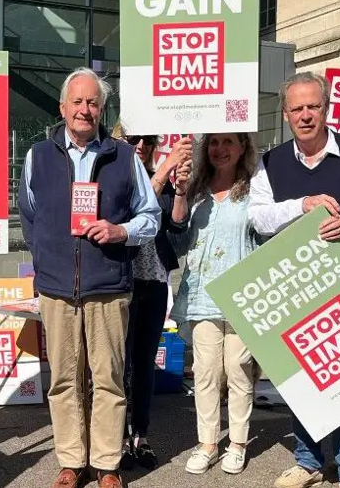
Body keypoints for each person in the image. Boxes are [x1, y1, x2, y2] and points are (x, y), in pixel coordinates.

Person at [249, 71, 340, 488]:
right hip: (297, 287)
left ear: (326, 108)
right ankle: (308, 461)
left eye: (313, 106)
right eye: (297, 108)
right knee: (301, 382)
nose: (305, 115)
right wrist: (301, 206)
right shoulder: (271, 161)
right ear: (285, 114)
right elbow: (258, 217)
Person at [19, 68, 161, 488]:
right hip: (57, 289)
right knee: (64, 380)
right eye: (77, 102)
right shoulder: (37, 156)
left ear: (102, 109)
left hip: (109, 288)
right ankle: (71, 461)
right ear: (62, 107)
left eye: (92, 102)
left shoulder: (124, 157)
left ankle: (106, 464)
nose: (85, 109)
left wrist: (121, 231)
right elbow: (30, 216)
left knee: (109, 380)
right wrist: (46, 262)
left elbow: (151, 216)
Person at [171, 132, 259, 476]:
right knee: (206, 372)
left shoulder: (256, 190)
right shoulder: (195, 190)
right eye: (214, 142)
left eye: (229, 142)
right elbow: (178, 240)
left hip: (243, 294)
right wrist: (180, 193)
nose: (220, 149)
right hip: (202, 293)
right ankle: (207, 444)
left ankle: (237, 443)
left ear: (243, 147)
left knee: (238, 369)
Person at [118, 131, 192, 471]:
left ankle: (141, 435)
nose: (141, 146)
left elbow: (176, 225)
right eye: (134, 139)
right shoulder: (118, 177)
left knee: (145, 362)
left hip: (155, 280)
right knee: (119, 364)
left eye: (148, 141)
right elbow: (129, 215)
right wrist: (164, 171)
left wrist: (180, 190)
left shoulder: (157, 176)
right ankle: (117, 437)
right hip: (122, 281)